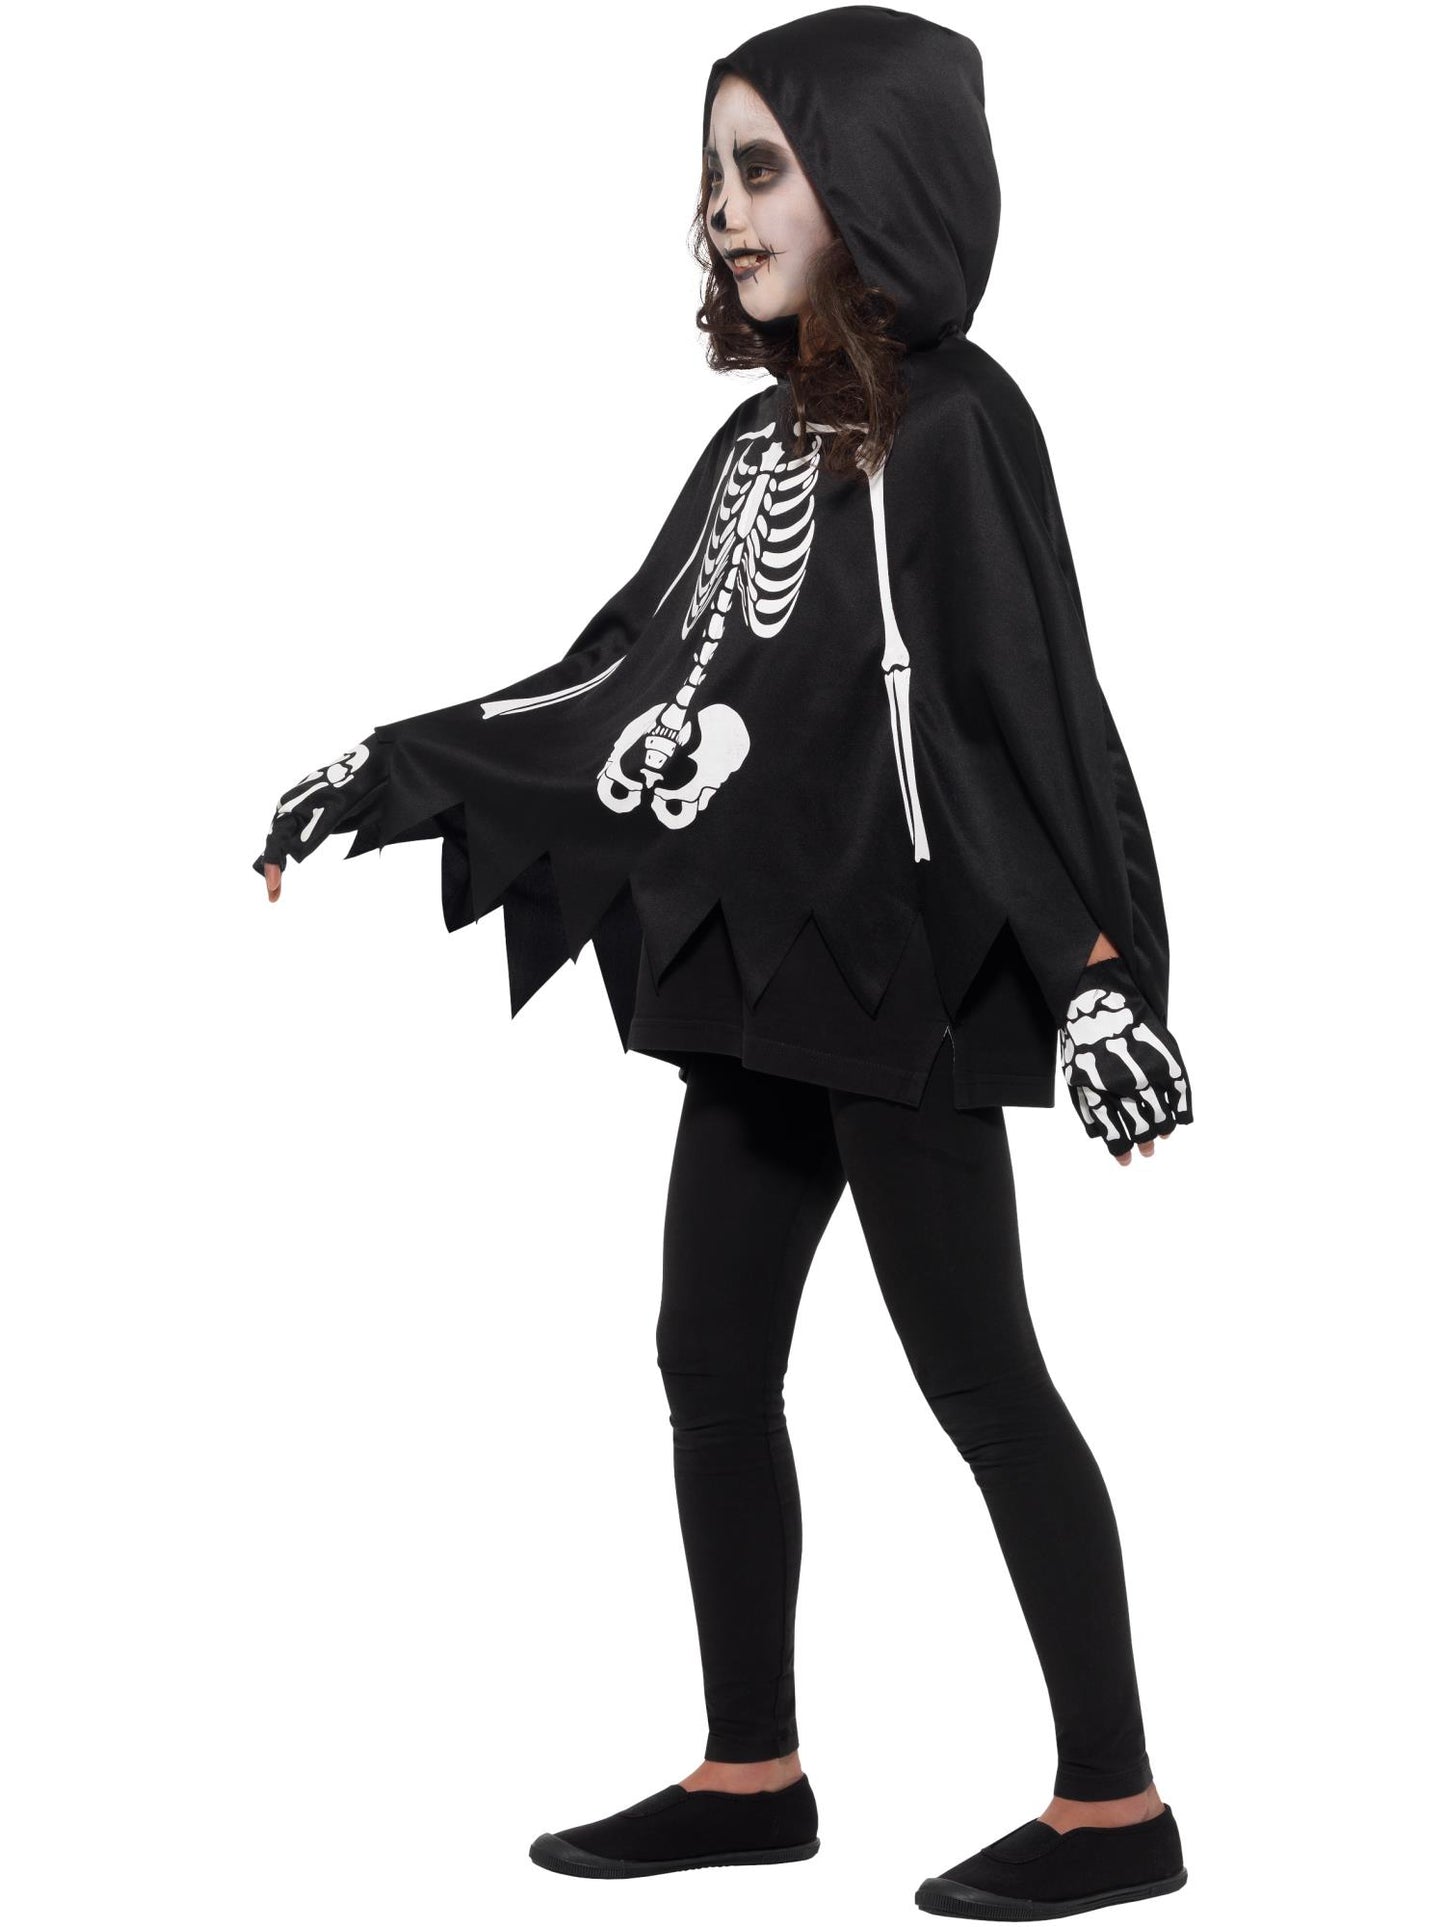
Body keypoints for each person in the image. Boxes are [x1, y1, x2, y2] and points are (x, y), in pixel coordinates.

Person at [254, 8, 1194, 1916]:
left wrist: (1102, 971)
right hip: (760, 969)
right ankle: (749, 1772)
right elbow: (619, 677)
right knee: (707, 1360)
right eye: (710, 171)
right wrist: (399, 767)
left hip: (903, 980)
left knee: (981, 1379)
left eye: (762, 167)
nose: (720, 209)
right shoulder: (760, 439)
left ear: (875, 180)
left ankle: (1115, 1807)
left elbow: (1029, 714)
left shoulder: (958, 423)